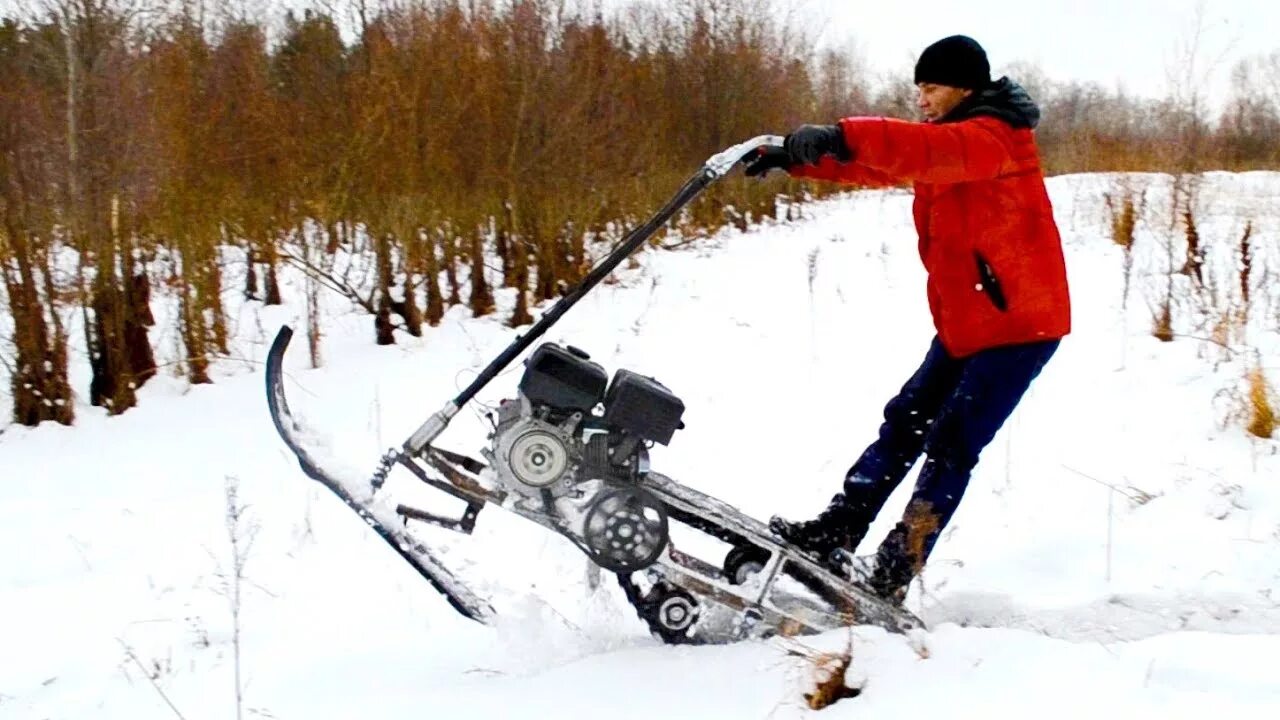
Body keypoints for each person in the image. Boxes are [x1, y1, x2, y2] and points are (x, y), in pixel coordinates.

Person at [747, 35, 1071, 605]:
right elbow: (882, 167)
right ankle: (841, 528)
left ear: (965, 88)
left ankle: (896, 567)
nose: (921, 98)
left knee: (951, 442)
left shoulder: (993, 138)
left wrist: (840, 132)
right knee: (905, 421)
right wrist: (796, 157)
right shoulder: (955, 142)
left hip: (1019, 327)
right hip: (970, 323)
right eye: (917, 87)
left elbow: (912, 150)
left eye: (932, 87)